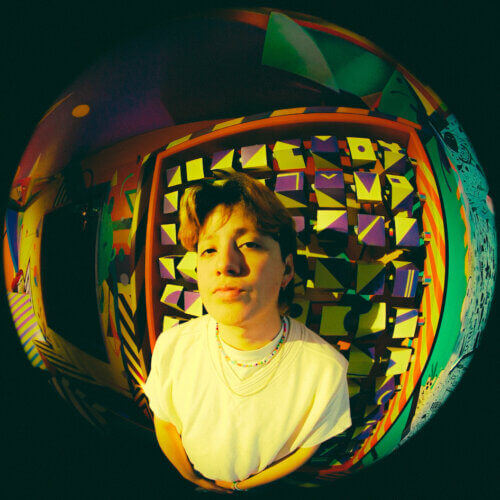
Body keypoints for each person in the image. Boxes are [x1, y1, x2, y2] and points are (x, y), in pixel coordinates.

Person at [144, 172, 351, 493]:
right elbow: (165, 419)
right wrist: (191, 477)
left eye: (249, 244)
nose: (225, 264)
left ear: (287, 269)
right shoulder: (172, 346)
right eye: (208, 250)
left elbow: (308, 446)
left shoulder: (325, 369)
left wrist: (244, 488)